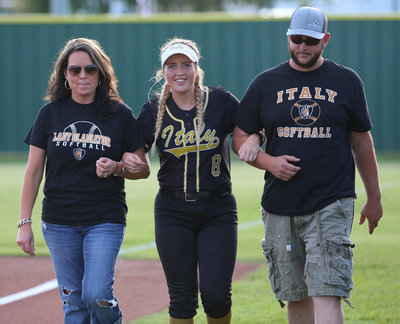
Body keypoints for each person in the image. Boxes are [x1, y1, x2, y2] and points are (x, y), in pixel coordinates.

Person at [232, 6, 383, 324]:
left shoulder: (346, 80)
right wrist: (268, 161)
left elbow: (361, 142)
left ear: (325, 40)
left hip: (331, 201)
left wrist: (375, 197)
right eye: (297, 39)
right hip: (279, 205)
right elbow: (241, 136)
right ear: (288, 38)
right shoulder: (265, 84)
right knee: (294, 294)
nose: (303, 46)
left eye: (311, 40)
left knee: (327, 290)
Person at [125, 37, 261, 324]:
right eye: (172, 66)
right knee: (182, 299)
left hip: (218, 210)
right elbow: (136, 160)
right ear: (163, 72)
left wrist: (256, 138)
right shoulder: (152, 111)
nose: (179, 72)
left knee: (216, 295)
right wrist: (127, 163)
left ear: (196, 68)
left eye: (186, 65)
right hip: (172, 212)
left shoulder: (220, 101)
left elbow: (252, 126)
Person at [16, 37, 150, 324]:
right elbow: (33, 172)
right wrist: (24, 223)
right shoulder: (49, 113)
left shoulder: (120, 114)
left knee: (97, 294)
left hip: (104, 218)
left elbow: (143, 169)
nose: (83, 76)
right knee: (73, 302)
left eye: (90, 69)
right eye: (75, 70)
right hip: (58, 222)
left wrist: (116, 167)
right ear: (65, 74)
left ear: (100, 73)